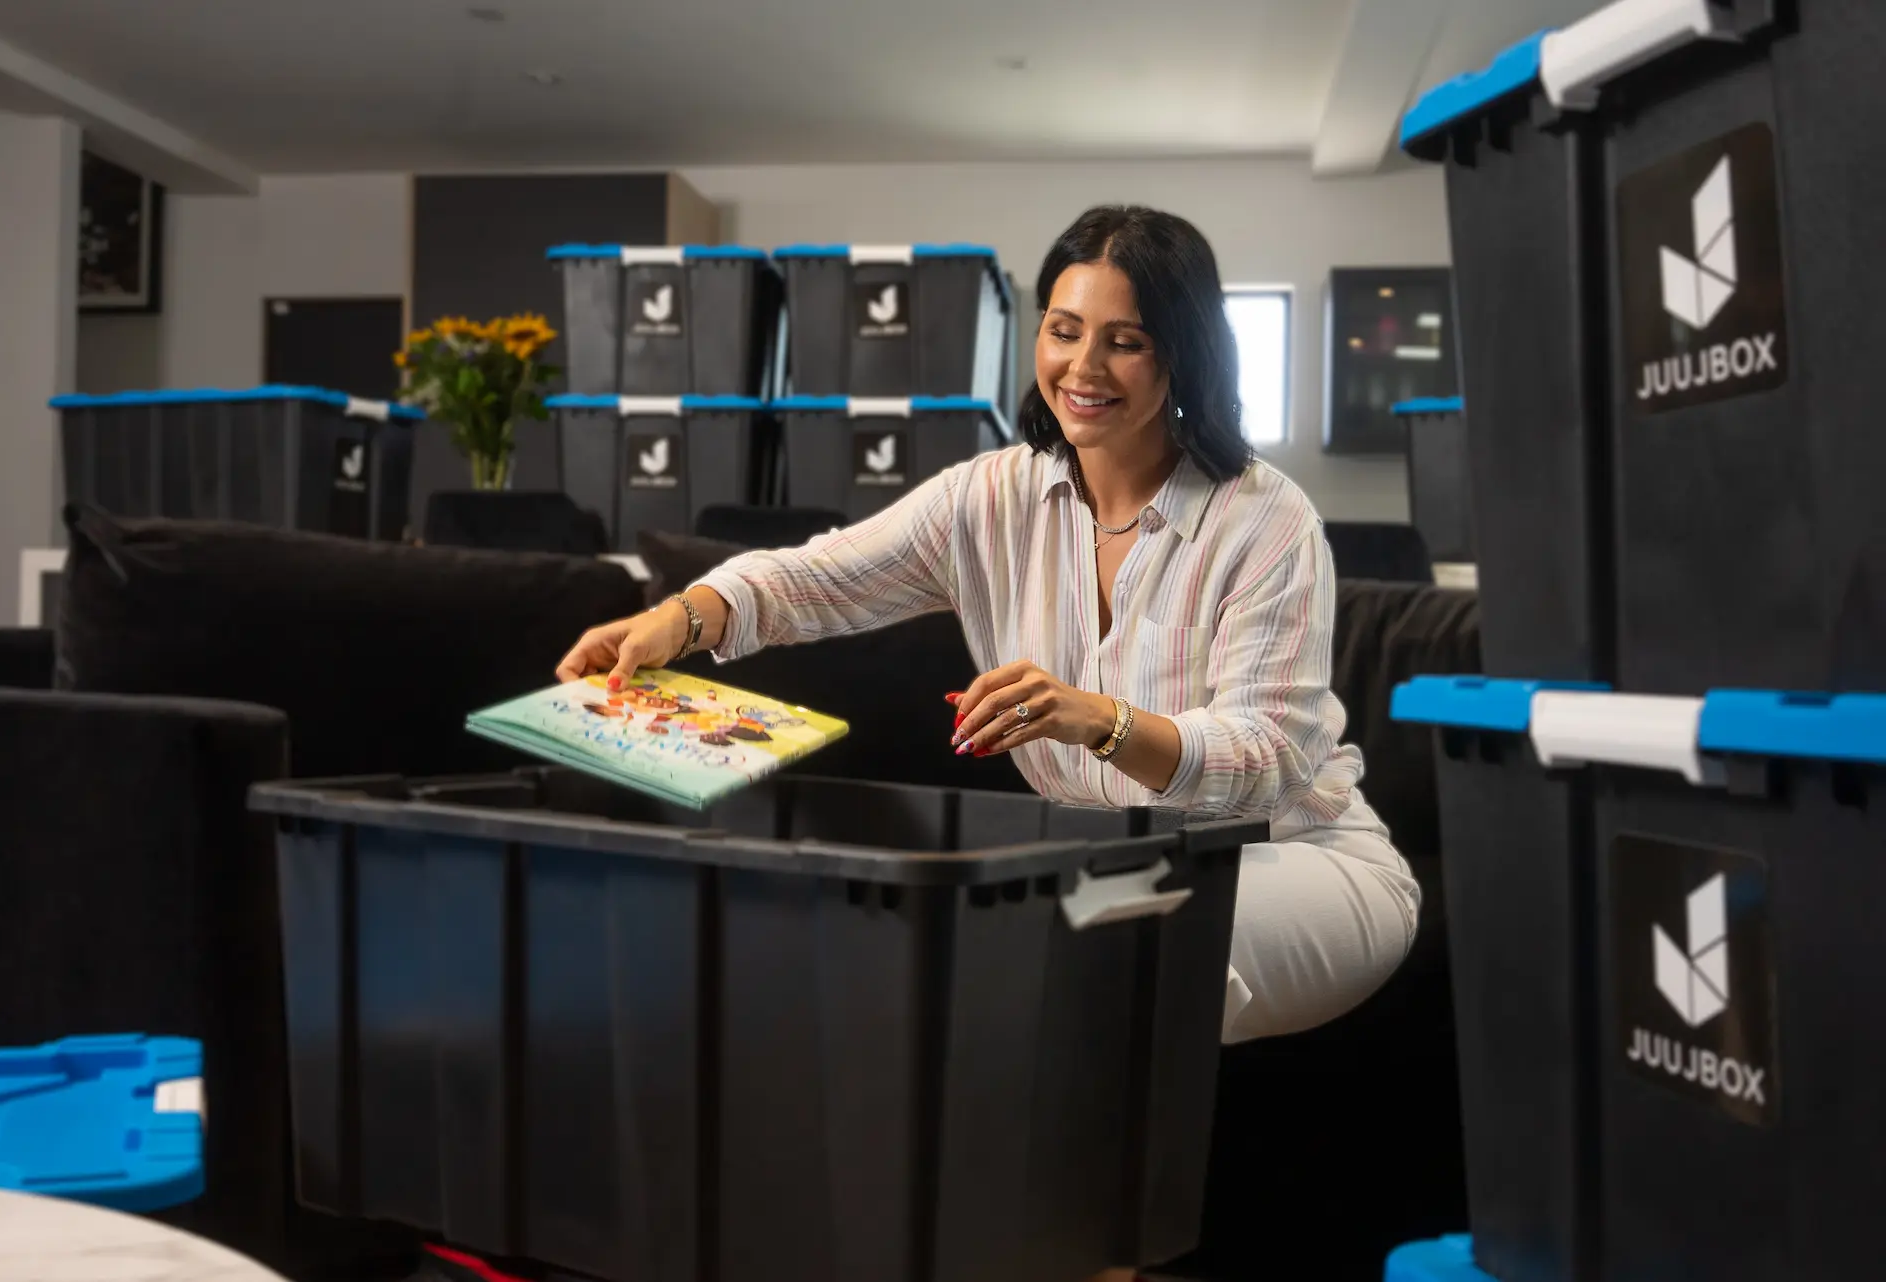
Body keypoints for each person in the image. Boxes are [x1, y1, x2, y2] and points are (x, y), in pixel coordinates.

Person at [557, 204, 1420, 1048]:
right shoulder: (991, 496)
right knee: (1025, 936)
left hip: (1300, 856)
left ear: (1181, 356)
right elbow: (816, 576)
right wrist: (674, 620)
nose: (1084, 366)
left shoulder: (1267, 520)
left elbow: (1268, 765)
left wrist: (1100, 720)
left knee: (1108, 937)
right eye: (1064, 329)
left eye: (1126, 341)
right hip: (1106, 863)